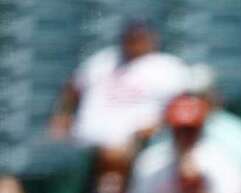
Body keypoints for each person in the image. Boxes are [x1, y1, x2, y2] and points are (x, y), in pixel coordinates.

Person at [49, 18, 190, 157]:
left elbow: (182, 105)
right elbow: (73, 88)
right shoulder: (103, 61)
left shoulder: (167, 67)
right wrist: (62, 117)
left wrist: (157, 127)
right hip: (87, 145)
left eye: (140, 37)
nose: (134, 42)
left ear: (152, 38)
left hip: (136, 148)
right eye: (130, 37)